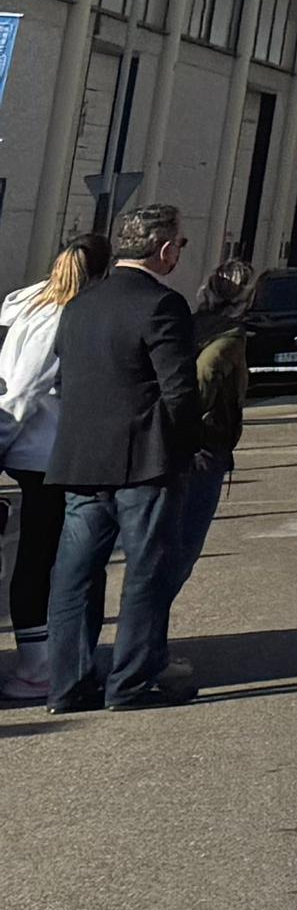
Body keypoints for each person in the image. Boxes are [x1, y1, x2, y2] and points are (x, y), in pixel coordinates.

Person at [27, 199, 203, 710]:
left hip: (80, 459)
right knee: (147, 572)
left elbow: (64, 380)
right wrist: (187, 449)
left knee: (75, 576)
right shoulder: (161, 304)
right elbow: (179, 392)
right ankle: (131, 682)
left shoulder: (79, 304)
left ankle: (68, 685)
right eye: (181, 245)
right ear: (165, 248)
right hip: (145, 462)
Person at [1, 235, 102, 705]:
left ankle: (41, 660)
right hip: (44, 453)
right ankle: (37, 666)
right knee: (45, 562)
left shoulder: (21, 301)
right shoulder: (62, 312)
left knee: (36, 559)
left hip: (29, 453)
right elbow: (21, 390)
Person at [142, 262, 256, 642]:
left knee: (164, 552)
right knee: (179, 553)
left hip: (183, 447)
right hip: (202, 451)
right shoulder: (228, 337)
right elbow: (205, 376)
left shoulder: (189, 324)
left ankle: (144, 642)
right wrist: (190, 427)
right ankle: (146, 645)